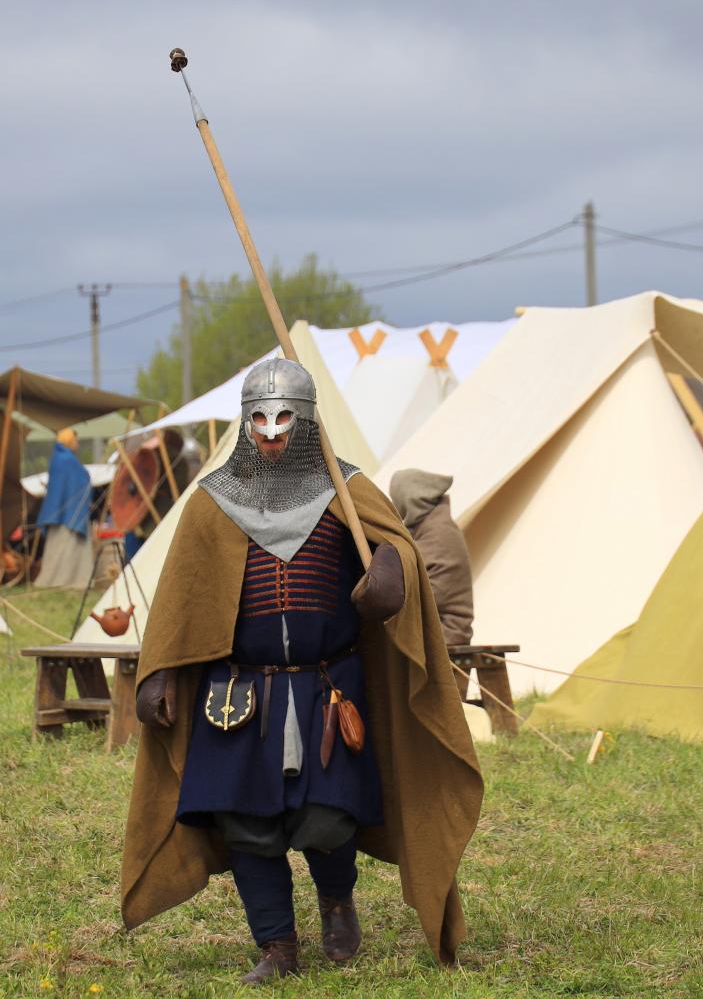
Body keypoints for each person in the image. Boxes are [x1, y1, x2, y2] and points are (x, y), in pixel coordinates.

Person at [122, 359, 483, 986]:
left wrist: (391, 572)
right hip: (238, 693)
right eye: (259, 420)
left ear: (308, 420)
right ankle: (277, 945)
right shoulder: (213, 501)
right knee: (246, 823)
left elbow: (397, 545)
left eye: (284, 417)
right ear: (245, 423)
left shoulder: (345, 488)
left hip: (327, 686)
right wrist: (158, 674)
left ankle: (337, 901)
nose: (270, 432)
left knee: (329, 816)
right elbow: (180, 597)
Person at [389, 470, 475, 700]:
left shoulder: (438, 531)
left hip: (447, 631)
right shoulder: (427, 529)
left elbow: (433, 595)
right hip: (434, 628)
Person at [35, 427, 93, 589]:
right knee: (66, 548)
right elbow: (81, 479)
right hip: (68, 515)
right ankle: (66, 581)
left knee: (60, 549)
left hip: (61, 513)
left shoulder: (57, 458)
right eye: (76, 441)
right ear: (69, 441)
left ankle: (62, 581)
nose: (78, 444)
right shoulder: (67, 459)